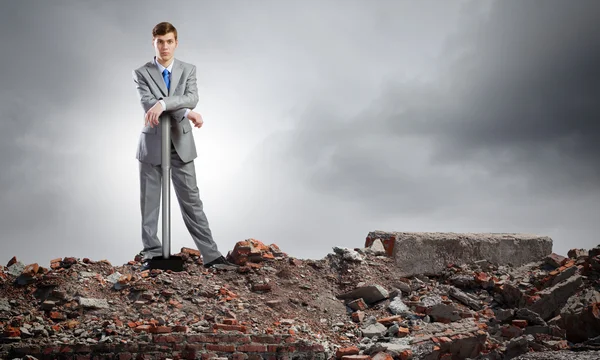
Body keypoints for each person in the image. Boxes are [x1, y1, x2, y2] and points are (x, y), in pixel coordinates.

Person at [132, 21, 236, 270]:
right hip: (152, 145)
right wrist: (184, 110)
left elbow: (192, 97)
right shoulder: (141, 73)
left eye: (169, 41)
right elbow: (149, 106)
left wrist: (166, 104)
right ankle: (152, 254)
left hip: (181, 143)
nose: (165, 47)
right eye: (160, 42)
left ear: (176, 43)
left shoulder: (188, 69)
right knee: (149, 204)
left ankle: (211, 256)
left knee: (192, 201)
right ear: (153, 43)